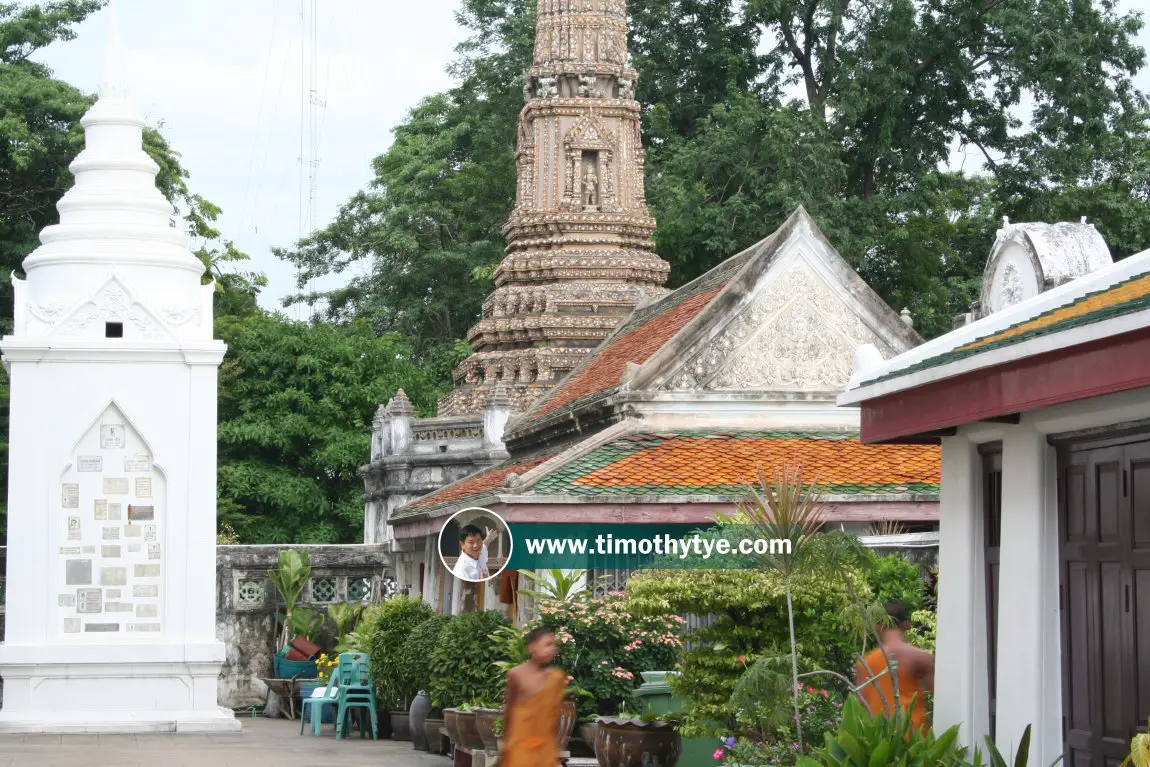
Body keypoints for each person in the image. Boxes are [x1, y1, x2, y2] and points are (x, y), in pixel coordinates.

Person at [854, 601, 934, 734]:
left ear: (877, 626)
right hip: (914, 739)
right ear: (906, 625)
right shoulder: (919, 657)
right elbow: (939, 693)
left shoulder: (866, 663)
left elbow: (861, 704)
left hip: (880, 742)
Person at [499, 627, 566, 767]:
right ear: (532, 648)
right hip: (520, 748)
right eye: (547, 644)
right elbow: (509, 711)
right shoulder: (517, 674)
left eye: (554, 645)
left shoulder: (556, 677)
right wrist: (506, 744)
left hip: (545, 749)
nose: (552, 649)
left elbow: (555, 715)